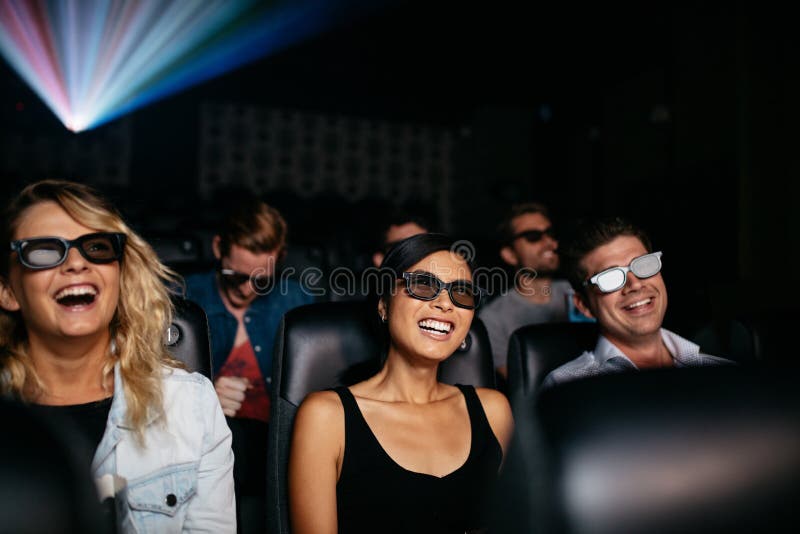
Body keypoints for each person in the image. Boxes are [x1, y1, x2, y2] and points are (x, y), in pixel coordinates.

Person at [0, 179, 236, 532]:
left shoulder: (190, 403)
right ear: (7, 291)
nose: (77, 263)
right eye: (45, 250)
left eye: (96, 247)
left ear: (120, 275)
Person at [289, 233, 514, 534]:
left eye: (462, 293)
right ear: (383, 304)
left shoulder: (494, 411)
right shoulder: (326, 416)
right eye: (423, 285)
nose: (445, 304)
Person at [183, 193, 313, 531]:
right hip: (203, 444)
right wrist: (204, 395)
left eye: (262, 279)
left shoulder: (298, 301)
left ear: (279, 259)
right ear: (218, 248)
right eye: (236, 275)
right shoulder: (183, 299)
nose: (247, 289)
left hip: (275, 446)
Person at [541, 216, 730, 389]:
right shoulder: (567, 389)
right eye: (610, 277)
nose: (635, 284)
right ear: (584, 305)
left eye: (643, 265)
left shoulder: (725, 374)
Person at [479, 202, 581, 379]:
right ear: (510, 254)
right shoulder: (493, 319)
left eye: (550, 234)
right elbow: (523, 385)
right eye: (533, 237)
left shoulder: (579, 294)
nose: (550, 243)